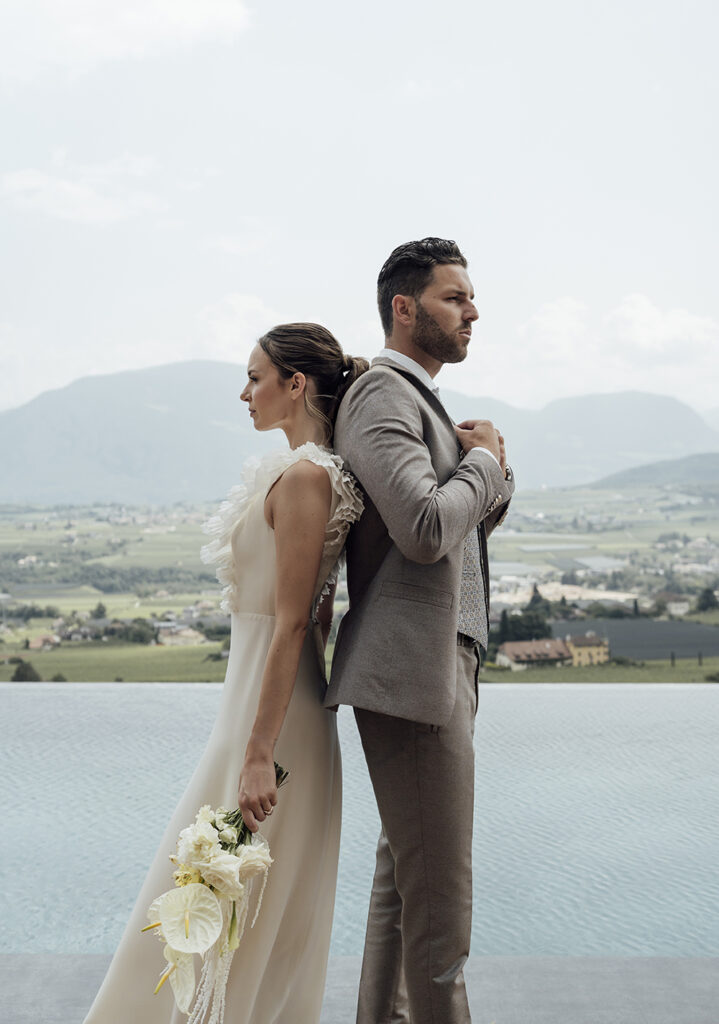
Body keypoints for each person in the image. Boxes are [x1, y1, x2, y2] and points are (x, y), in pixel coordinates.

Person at [83, 323, 367, 1024]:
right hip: (253, 710)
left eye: (254, 377)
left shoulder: (305, 478)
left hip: (271, 726)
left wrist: (259, 754)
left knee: (226, 898)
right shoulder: (295, 471)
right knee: (208, 894)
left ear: (295, 384)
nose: (244, 393)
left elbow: (297, 623)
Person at [325, 238, 515, 1024]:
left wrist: (487, 466)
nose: (473, 311)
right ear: (403, 309)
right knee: (441, 911)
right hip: (412, 675)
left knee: (406, 892)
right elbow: (427, 529)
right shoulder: (382, 397)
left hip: (440, 668)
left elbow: (462, 526)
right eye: (454, 298)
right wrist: (483, 465)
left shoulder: (421, 402)